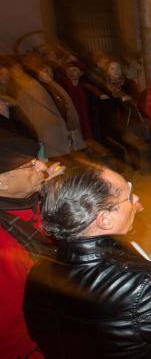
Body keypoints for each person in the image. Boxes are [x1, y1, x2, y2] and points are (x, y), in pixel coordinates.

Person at [24, 166, 151, 358]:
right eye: (128, 195)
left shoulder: (37, 272)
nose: (136, 198)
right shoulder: (144, 287)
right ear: (105, 220)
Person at [0, 137, 60, 358]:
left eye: (37, 159)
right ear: (1, 182)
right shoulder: (4, 243)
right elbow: (8, 325)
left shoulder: (28, 201)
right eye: (30, 164)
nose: (43, 166)